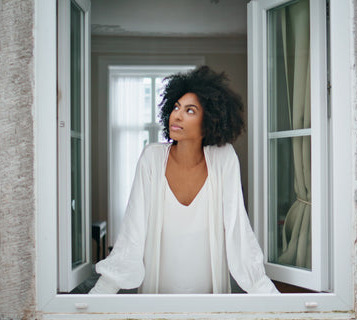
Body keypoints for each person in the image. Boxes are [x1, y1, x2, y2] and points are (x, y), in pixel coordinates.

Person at [90, 66, 278, 294]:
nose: (177, 115)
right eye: (176, 107)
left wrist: (265, 292)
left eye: (190, 110)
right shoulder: (152, 158)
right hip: (158, 297)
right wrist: (99, 296)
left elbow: (238, 230)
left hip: (209, 298)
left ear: (209, 120)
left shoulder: (223, 158)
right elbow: (132, 231)